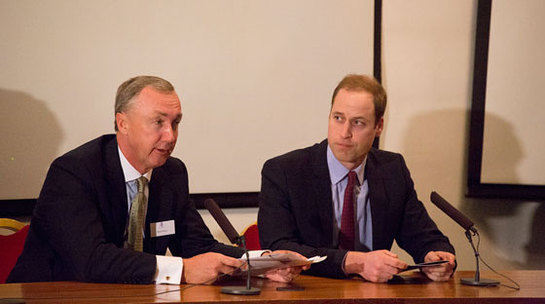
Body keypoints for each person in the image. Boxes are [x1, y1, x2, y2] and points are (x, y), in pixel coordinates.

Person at [8, 75, 307, 284]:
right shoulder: (73, 172)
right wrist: (183, 270)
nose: (171, 135)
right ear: (122, 122)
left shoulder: (171, 173)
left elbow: (196, 245)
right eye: (158, 122)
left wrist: (261, 262)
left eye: (175, 123)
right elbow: (91, 260)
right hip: (50, 294)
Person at [258, 74, 456, 283]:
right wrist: (354, 262)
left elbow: (421, 235)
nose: (344, 132)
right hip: (310, 292)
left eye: (358, 123)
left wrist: (435, 256)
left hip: (374, 295)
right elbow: (279, 248)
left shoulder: (392, 170)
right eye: (338, 118)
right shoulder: (285, 171)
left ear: (378, 126)